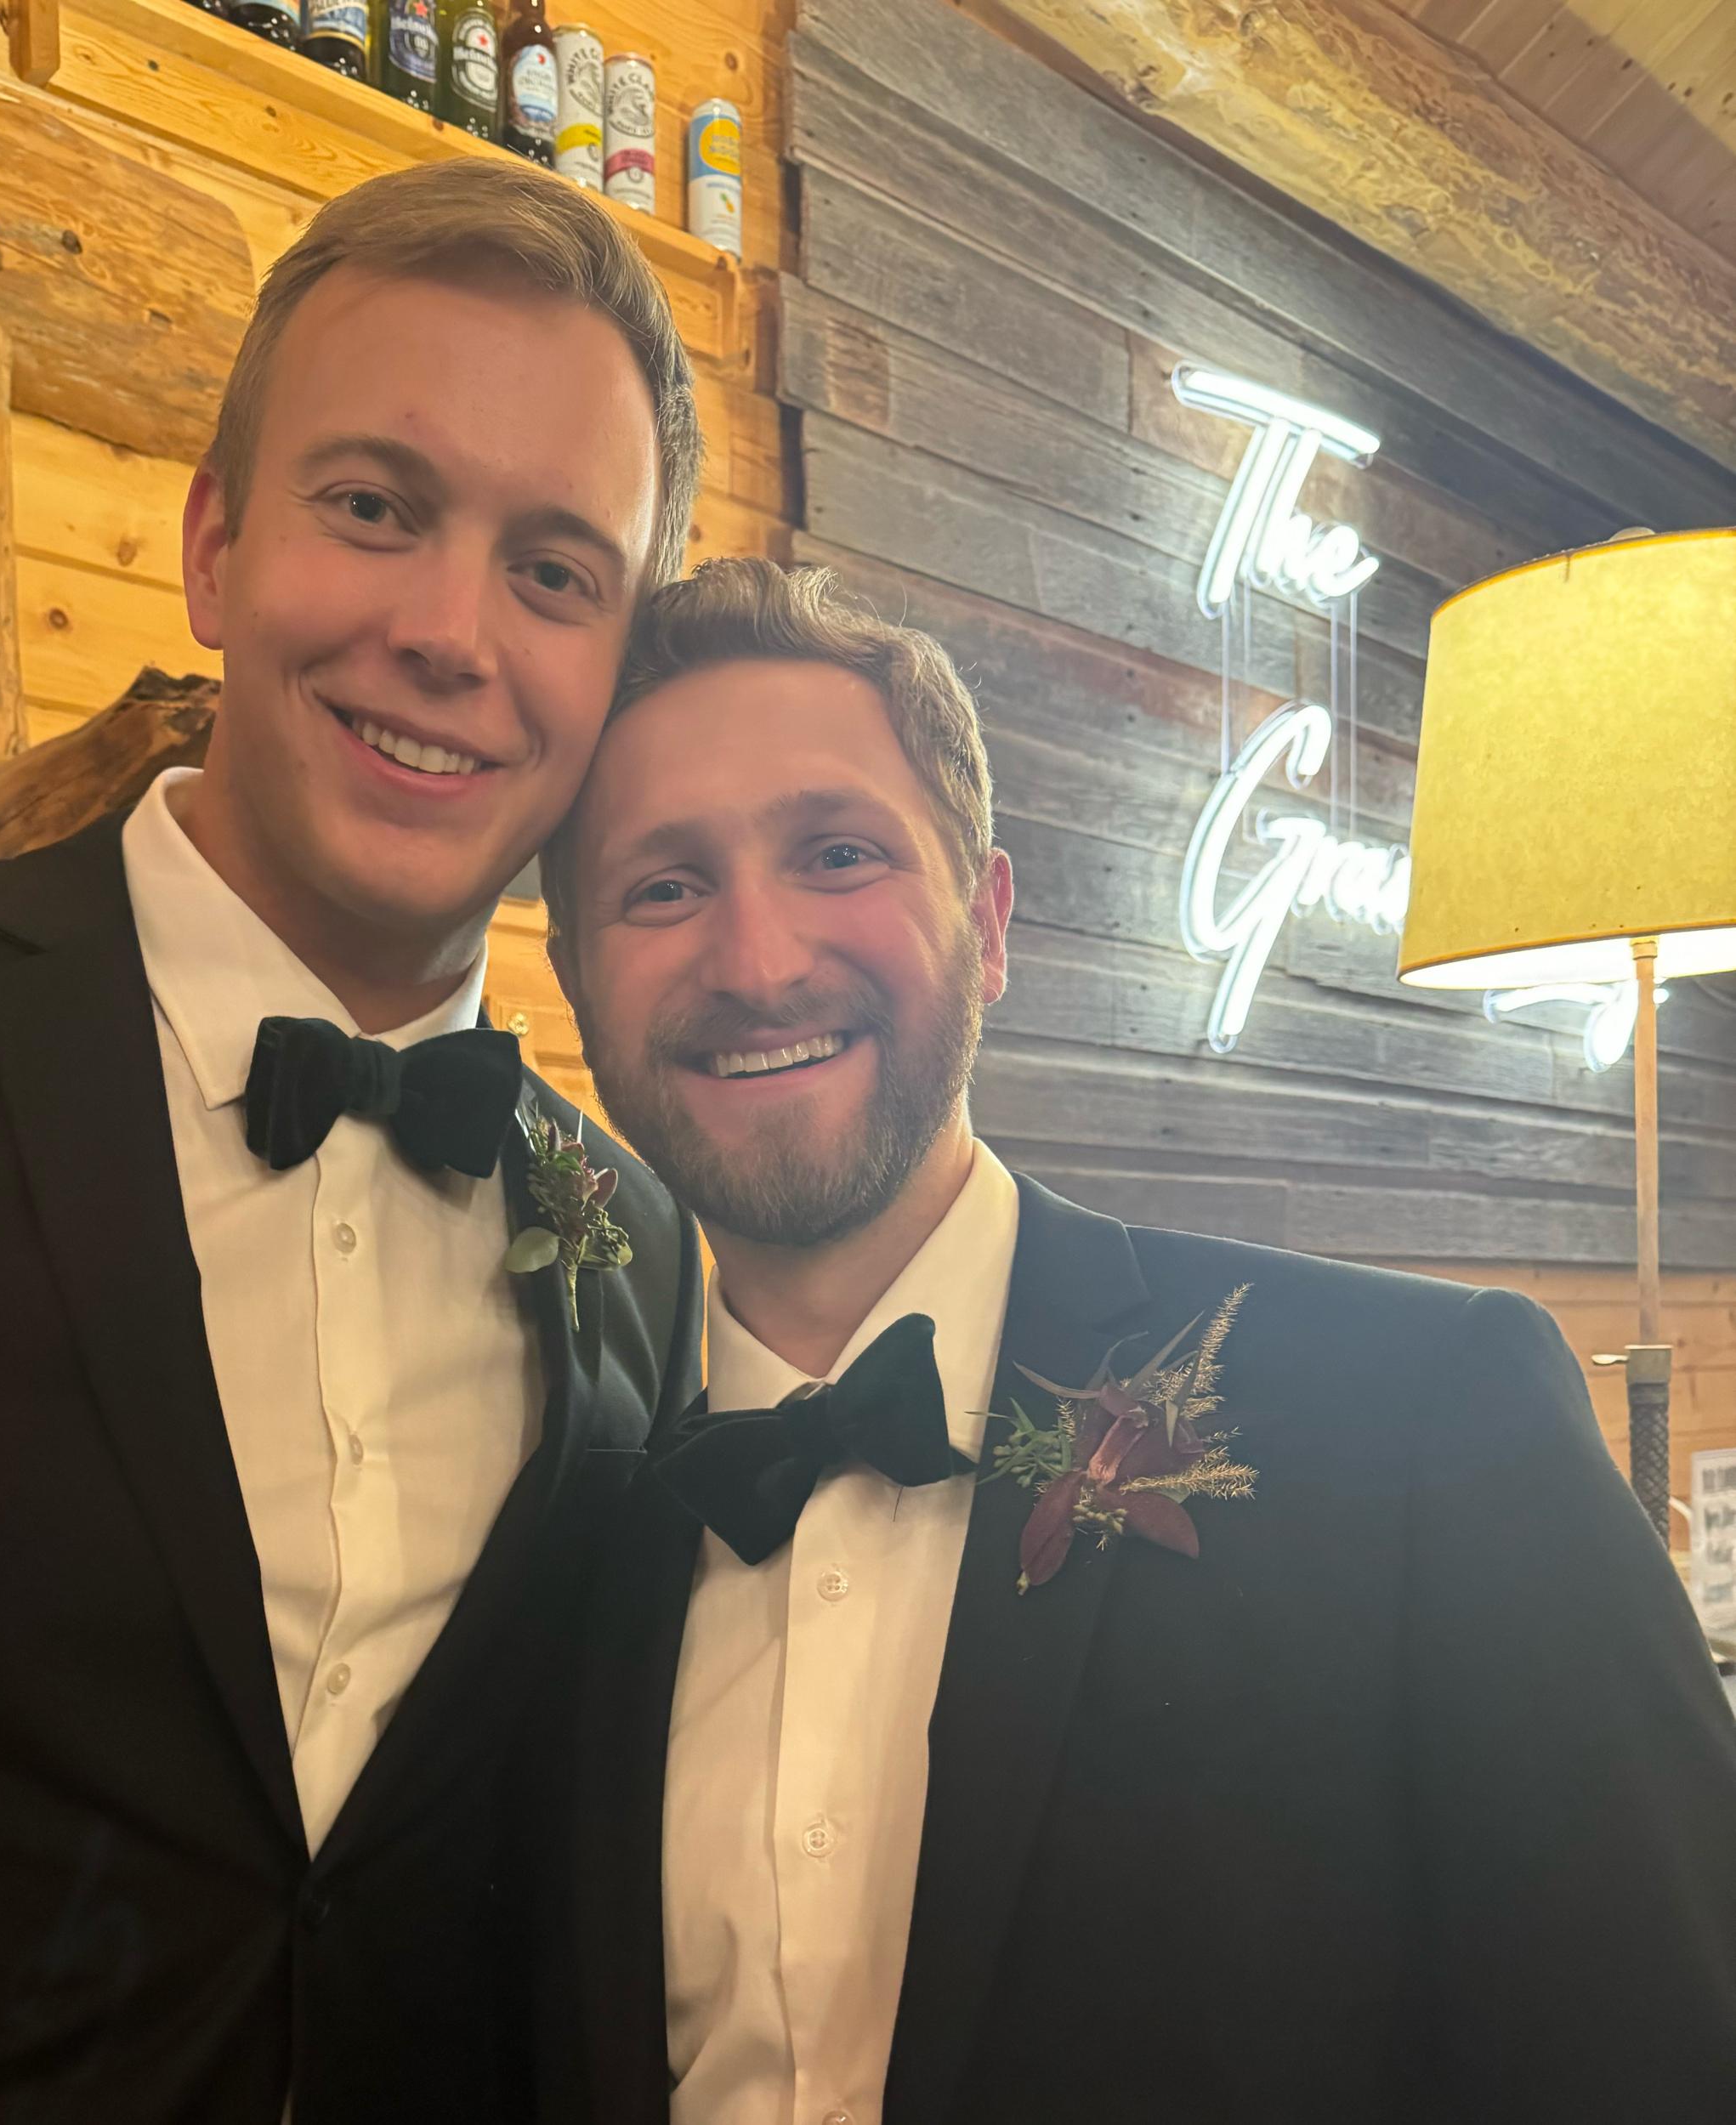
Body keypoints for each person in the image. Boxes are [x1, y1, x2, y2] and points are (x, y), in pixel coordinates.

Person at [0, 159, 704, 2123]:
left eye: (555, 572)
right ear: (212, 548)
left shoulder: (632, 1236)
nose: (448, 630)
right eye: (372, 507)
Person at [531, 557, 1736, 2125]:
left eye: (837, 854)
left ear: (988, 920)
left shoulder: (1427, 1420)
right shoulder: (566, 1555)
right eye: (663, 887)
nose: (757, 961)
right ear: (576, 974)